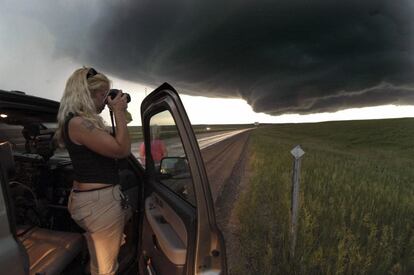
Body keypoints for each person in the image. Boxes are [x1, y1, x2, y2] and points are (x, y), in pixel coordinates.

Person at [55, 67, 131, 275]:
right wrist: (117, 110)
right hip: (99, 204)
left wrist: (119, 112)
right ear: (86, 94)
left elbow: (118, 138)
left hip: (93, 202)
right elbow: (122, 149)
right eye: (102, 94)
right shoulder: (79, 123)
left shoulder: (80, 122)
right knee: (106, 270)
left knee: (99, 261)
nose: (105, 99)